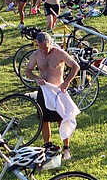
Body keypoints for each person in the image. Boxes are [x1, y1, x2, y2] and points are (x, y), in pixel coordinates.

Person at [24, 32, 80, 160]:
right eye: (40, 47)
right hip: (44, 90)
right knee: (44, 120)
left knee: (62, 119)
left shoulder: (59, 53)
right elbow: (28, 70)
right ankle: (47, 146)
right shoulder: (36, 55)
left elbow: (75, 66)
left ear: (50, 43)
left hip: (57, 90)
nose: (43, 50)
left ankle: (66, 148)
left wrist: (66, 82)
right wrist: (36, 78)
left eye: (46, 47)